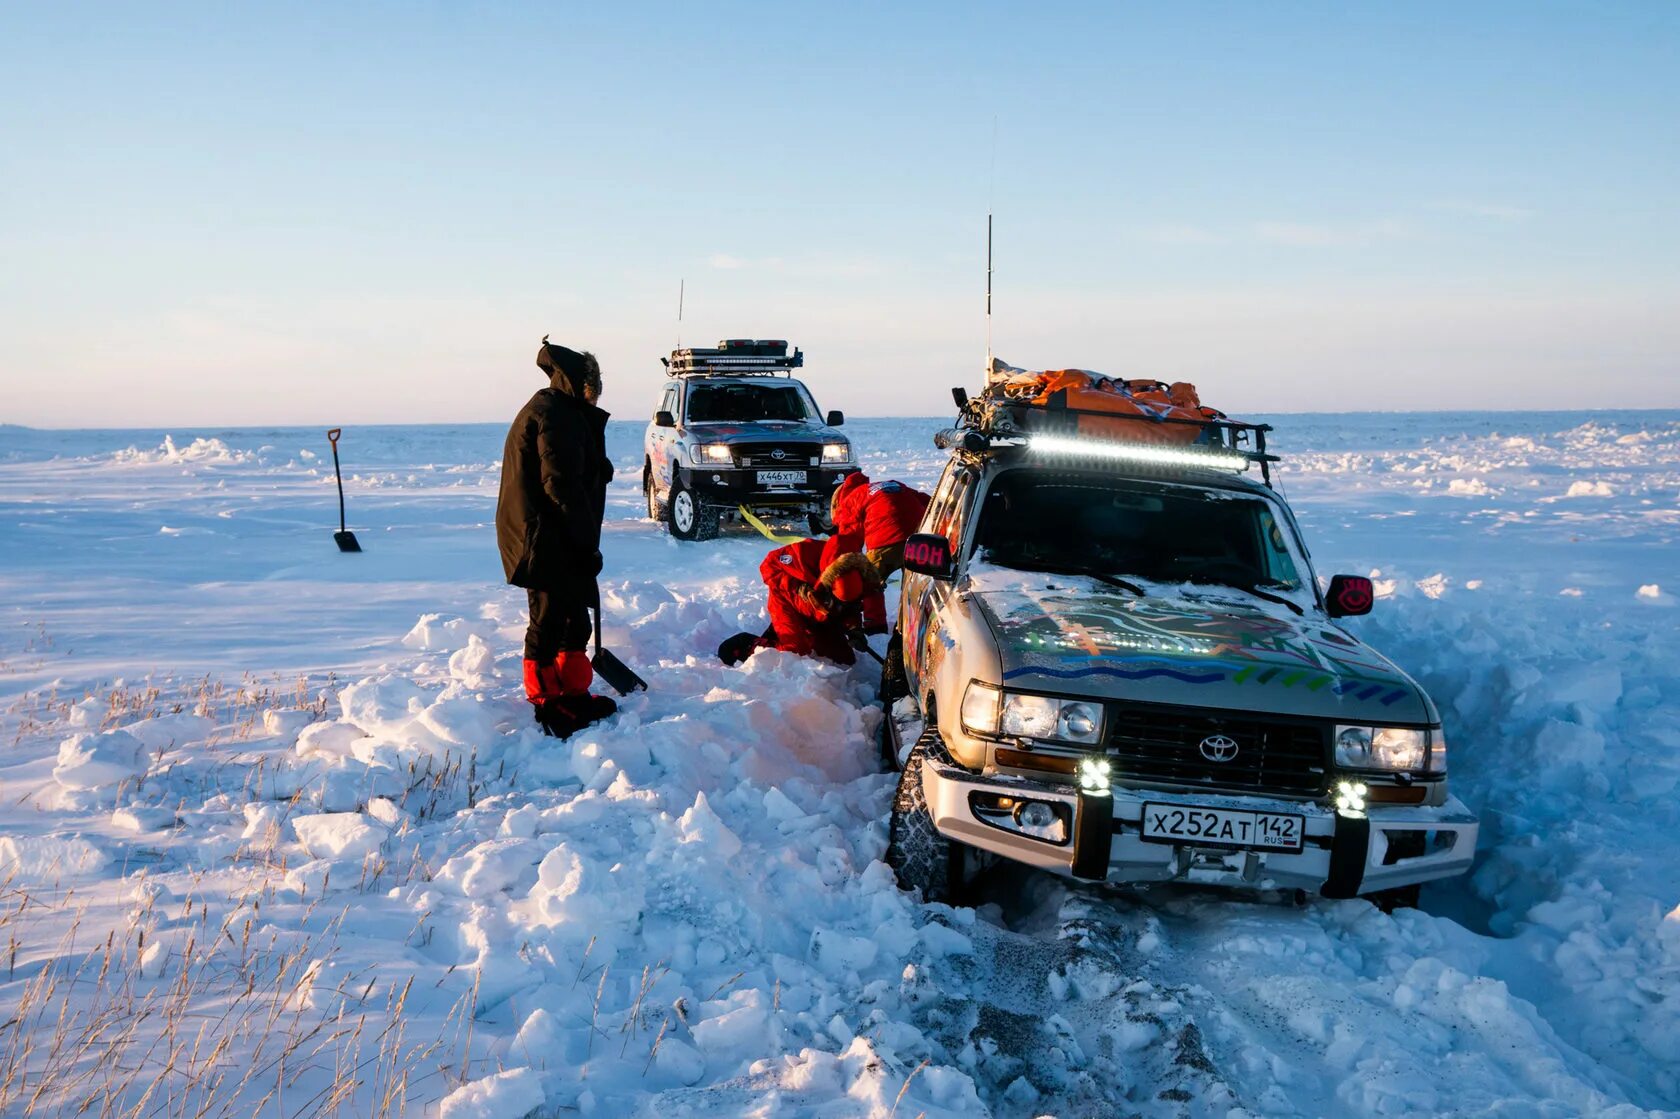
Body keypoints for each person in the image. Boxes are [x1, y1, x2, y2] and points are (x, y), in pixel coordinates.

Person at [496, 336, 617, 737]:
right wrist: (585, 545)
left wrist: (597, 468)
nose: (597, 399)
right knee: (548, 617)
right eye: (595, 391)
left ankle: (573, 690)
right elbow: (560, 486)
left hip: (556, 531)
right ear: (583, 387)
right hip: (543, 535)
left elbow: (567, 468)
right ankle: (546, 700)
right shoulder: (556, 414)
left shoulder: (559, 410)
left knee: (574, 617)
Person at [717, 539, 880, 666]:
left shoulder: (860, 578)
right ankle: (754, 646)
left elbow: (849, 607)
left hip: (820, 614)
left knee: (844, 660)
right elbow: (768, 566)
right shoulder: (805, 555)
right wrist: (798, 588)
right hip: (787, 601)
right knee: (793, 652)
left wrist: (854, 628)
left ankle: (796, 632)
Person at [822, 474, 933, 633]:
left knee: (870, 581)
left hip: (886, 540)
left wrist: (848, 569)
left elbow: (848, 540)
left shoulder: (849, 500)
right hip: (919, 537)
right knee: (918, 583)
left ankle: (875, 626)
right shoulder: (892, 484)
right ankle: (920, 622)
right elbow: (927, 501)